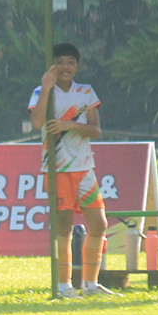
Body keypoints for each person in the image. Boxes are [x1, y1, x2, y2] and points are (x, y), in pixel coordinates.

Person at [28, 43, 117, 299]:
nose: (64, 67)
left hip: (85, 168)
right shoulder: (42, 91)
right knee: (64, 229)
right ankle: (63, 285)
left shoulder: (86, 92)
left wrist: (69, 125)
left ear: (76, 66)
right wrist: (46, 87)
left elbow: (96, 130)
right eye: (59, 61)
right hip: (57, 170)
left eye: (69, 62)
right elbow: (36, 123)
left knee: (98, 223)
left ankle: (90, 283)